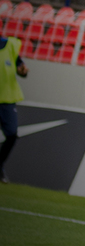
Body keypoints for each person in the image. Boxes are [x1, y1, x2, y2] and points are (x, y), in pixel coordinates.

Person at [0, 29, 27, 184]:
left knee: (11, 135)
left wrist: (23, 70)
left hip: (7, 100)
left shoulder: (10, 45)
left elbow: (20, 66)